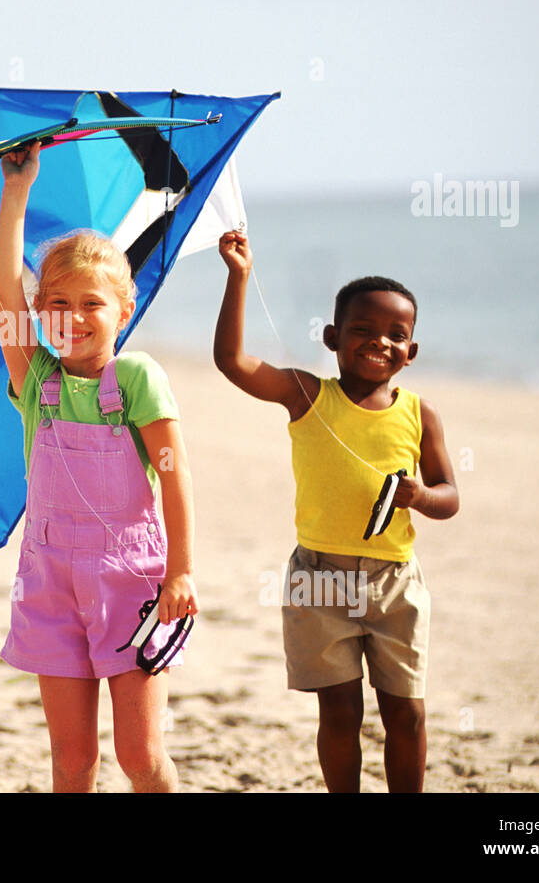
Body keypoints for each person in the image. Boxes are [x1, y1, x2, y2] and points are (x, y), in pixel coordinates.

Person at [213, 230, 459, 792]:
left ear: (412, 352)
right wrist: (239, 276)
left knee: (408, 714)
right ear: (332, 338)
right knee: (341, 713)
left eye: (396, 335)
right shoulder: (307, 395)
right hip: (319, 579)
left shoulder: (422, 416)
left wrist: (420, 496)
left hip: (395, 581)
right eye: (363, 331)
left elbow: (450, 495)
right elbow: (231, 361)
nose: (380, 343)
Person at [0, 142, 198, 793]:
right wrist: (17, 193)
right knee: (72, 760)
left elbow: (173, 473)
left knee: (139, 756)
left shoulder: (134, 377)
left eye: (91, 304)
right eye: (55, 303)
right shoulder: (36, 381)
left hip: (131, 584)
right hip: (49, 582)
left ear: (124, 311)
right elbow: (4, 291)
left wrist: (182, 570)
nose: (71, 317)